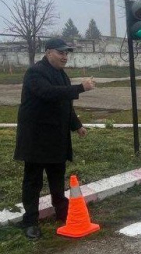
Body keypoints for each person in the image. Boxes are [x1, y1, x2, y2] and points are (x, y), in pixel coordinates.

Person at [14, 38, 96, 240]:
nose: (65, 57)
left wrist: (76, 126)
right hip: (36, 138)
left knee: (57, 178)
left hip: (56, 137)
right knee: (33, 181)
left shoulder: (62, 75)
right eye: (61, 53)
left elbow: (64, 103)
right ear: (49, 52)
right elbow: (48, 93)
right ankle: (30, 221)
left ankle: (62, 212)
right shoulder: (36, 72)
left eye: (67, 54)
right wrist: (80, 88)